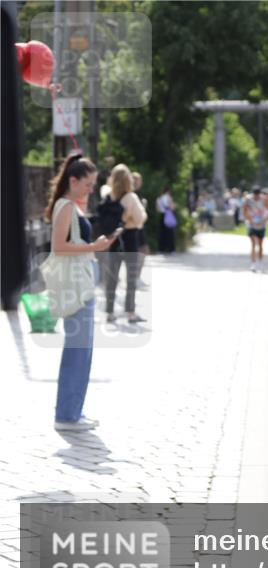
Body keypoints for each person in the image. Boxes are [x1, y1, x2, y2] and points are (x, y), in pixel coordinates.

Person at [46, 155, 117, 430]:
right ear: (72, 181)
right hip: (76, 287)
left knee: (82, 351)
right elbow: (59, 247)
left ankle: (73, 411)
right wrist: (94, 248)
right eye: (87, 184)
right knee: (77, 351)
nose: (91, 189)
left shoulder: (70, 206)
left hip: (81, 285)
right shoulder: (65, 207)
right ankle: (66, 415)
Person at [103, 165, 148, 324]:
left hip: (114, 239)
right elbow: (140, 219)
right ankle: (130, 312)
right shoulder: (131, 197)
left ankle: (109, 311)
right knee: (131, 277)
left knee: (112, 277)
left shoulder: (108, 196)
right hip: (130, 238)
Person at [242, 186, 268, 272]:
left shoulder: (264, 199)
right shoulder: (248, 200)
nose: (257, 197)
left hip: (261, 224)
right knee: (253, 244)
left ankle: (260, 262)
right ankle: (253, 263)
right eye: (255, 195)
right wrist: (249, 219)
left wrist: (265, 220)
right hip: (252, 224)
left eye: (258, 195)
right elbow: (244, 210)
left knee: (260, 245)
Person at [157, 186, 176, 255]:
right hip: (168, 216)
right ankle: (171, 249)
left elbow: (158, 209)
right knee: (170, 234)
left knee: (162, 233)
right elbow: (172, 207)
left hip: (162, 216)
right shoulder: (168, 197)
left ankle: (161, 249)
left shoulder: (159, 199)